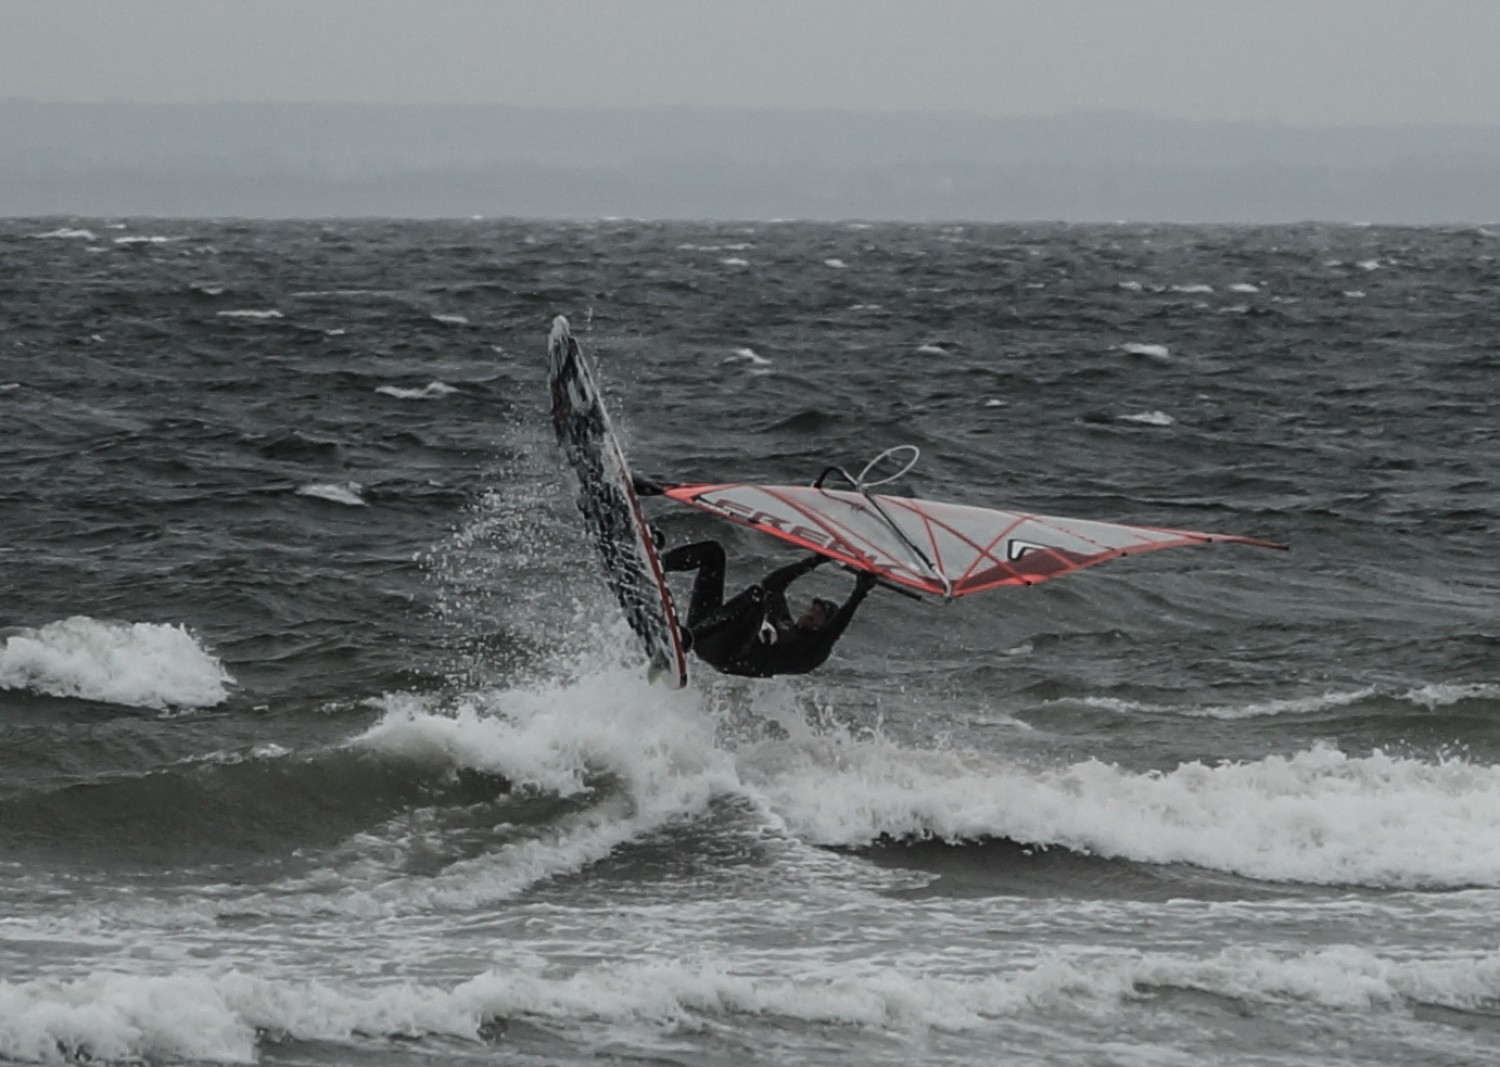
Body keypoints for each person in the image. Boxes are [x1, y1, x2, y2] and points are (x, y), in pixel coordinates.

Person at [658, 539, 878, 678]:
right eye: (812, 610)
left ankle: (684, 639)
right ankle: (659, 563)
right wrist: (813, 561)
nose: (809, 615)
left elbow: (838, 627)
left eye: (817, 616)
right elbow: (773, 585)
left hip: (725, 654)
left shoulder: (812, 650)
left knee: (756, 598)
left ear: (824, 626)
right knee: (713, 553)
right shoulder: (783, 623)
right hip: (707, 628)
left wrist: (861, 590)